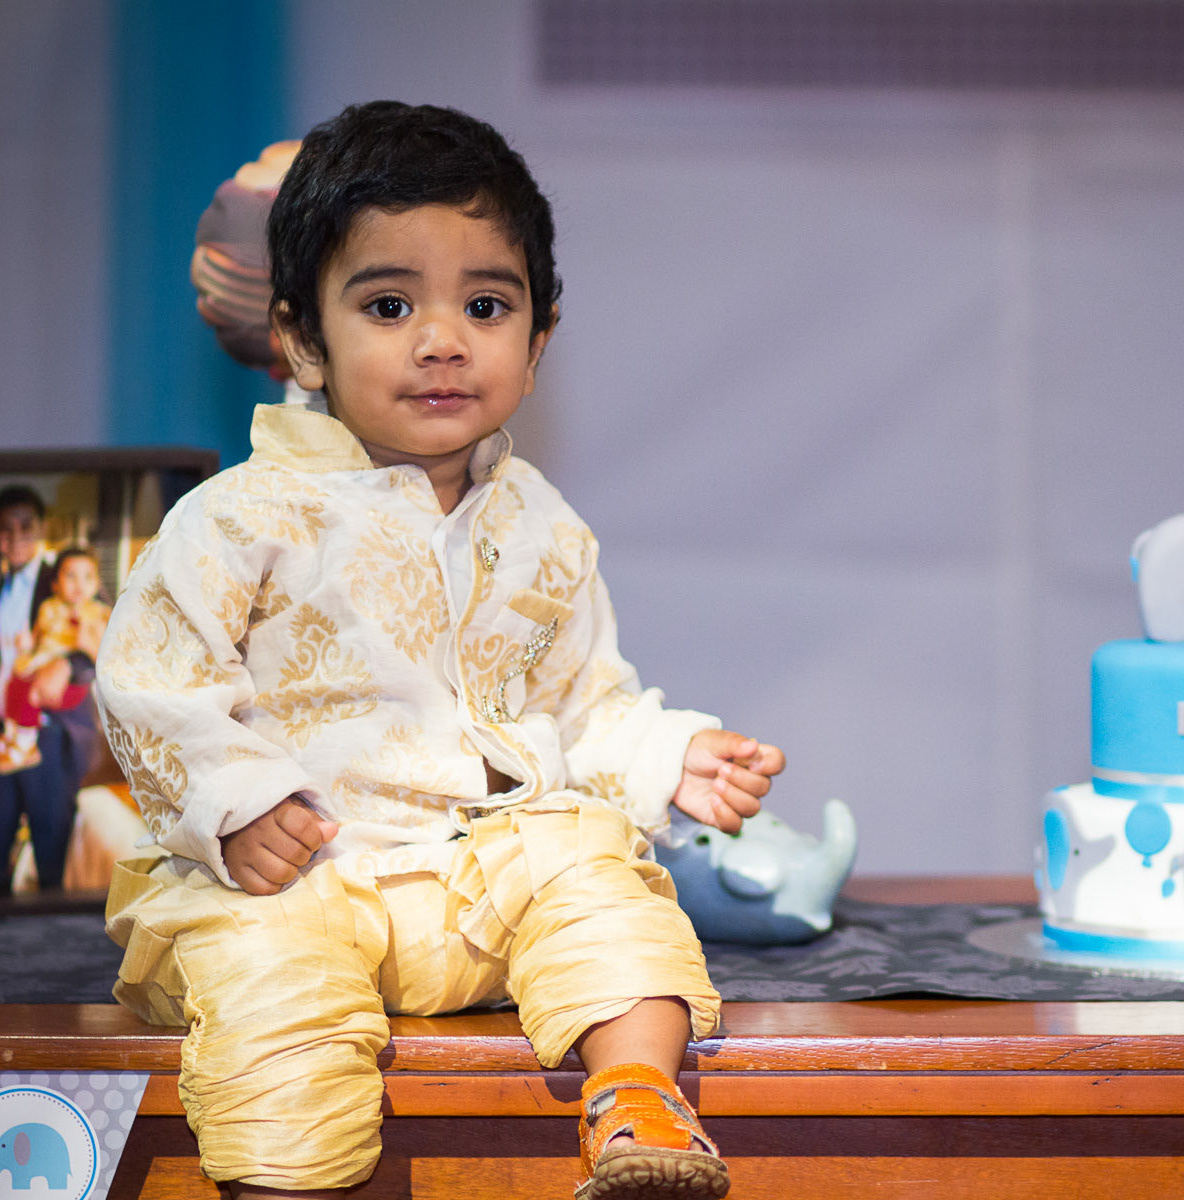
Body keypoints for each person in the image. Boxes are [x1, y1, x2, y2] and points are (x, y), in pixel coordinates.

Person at [98, 101, 784, 1200]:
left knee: (597, 868)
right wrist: (235, 803)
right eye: (388, 305)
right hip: (297, 883)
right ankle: (289, 1183)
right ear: (302, 340)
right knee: (267, 987)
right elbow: (151, 684)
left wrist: (668, 755)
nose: (442, 340)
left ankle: (636, 1107)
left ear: (538, 341)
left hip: (478, 890)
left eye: (485, 305)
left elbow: (582, 705)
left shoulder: (541, 525)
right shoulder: (240, 517)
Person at [0, 486, 94, 892]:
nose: (15, 537)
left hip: (52, 738)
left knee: (51, 860)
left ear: (40, 528)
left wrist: (67, 665)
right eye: (5, 529)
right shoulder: (2, 584)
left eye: (25, 526)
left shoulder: (68, 573)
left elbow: (104, 631)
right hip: (5, 740)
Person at [1, 547, 110, 772]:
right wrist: (27, 643)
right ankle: (12, 737)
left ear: (97, 584)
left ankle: (25, 746)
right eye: (71, 576)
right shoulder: (50, 607)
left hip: (69, 687)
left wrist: (85, 645)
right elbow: (38, 635)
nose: (79, 584)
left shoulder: (97, 614)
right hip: (40, 662)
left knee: (31, 693)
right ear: (56, 585)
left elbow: (105, 657)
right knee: (16, 684)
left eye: (87, 577)